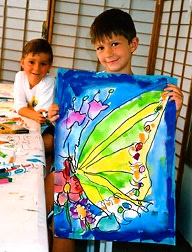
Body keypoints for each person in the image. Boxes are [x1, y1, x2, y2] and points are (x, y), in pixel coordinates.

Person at [45, 8, 183, 252]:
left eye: (115, 43)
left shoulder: (149, 93)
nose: (108, 53)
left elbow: (158, 140)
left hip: (124, 178)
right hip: (85, 188)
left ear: (133, 44)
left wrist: (172, 111)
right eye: (100, 47)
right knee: (66, 221)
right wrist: (59, 117)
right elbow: (71, 135)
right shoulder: (84, 90)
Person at [13, 38, 55, 176]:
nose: (36, 68)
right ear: (22, 62)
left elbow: (42, 115)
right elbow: (19, 106)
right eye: (31, 62)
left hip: (47, 125)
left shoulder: (49, 81)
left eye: (43, 64)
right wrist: (31, 112)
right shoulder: (20, 77)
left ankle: (45, 175)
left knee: (47, 144)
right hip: (28, 122)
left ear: (50, 66)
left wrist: (28, 111)